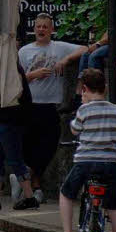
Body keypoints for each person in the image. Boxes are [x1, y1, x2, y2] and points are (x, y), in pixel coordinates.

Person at [55, 69, 116, 232]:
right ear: (104, 88)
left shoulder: (84, 110)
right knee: (114, 207)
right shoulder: (115, 110)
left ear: (85, 89)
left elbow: (74, 130)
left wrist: (82, 108)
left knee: (66, 193)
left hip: (85, 162)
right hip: (111, 163)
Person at [19, 13, 87, 202]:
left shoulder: (59, 47)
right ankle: (34, 184)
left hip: (51, 105)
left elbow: (85, 48)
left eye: (45, 27)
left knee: (49, 146)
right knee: (28, 146)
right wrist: (33, 75)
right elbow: (16, 79)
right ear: (34, 29)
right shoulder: (24, 51)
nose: (41, 30)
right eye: (38, 26)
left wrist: (66, 60)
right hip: (30, 104)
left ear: (51, 30)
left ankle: (31, 178)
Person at [0, 64, 38, 211]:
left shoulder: (10, 67)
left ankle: (29, 197)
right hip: (3, 118)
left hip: (10, 118)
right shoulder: (8, 65)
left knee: (13, 158)